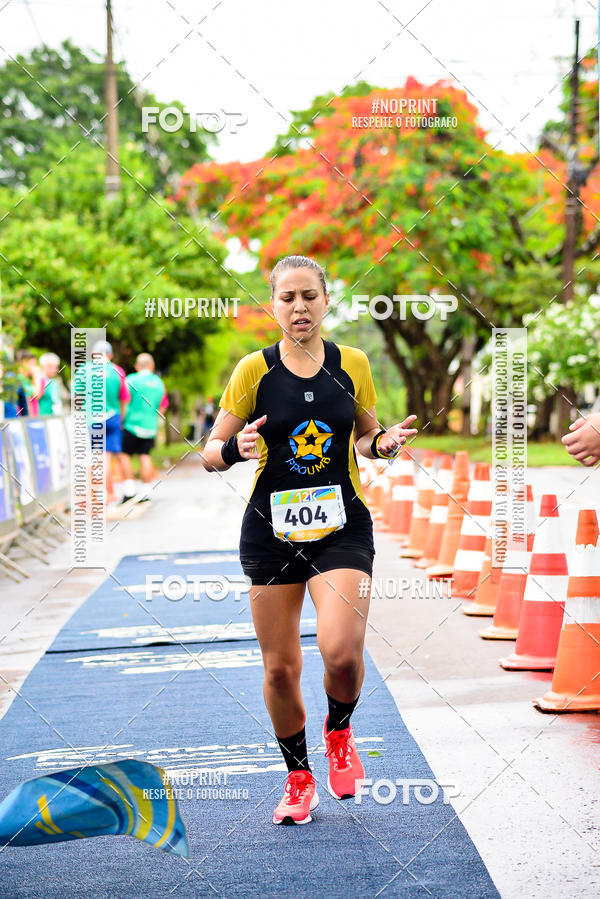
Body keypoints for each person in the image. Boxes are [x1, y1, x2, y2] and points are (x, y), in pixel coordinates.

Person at [202, 255, 418, 825]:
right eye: (287, 297)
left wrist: (387, 443)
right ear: (272, 305)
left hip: (343, 526)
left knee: (342, 653)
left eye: (309, 296)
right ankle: (299, 778)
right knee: (279, 668)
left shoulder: (353, 364)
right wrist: (235, 450)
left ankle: (339, 730)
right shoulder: (254, 370)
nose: (299, 307)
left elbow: (367, 437)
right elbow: (208, 452)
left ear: (326, 300)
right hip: (271, 534)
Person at [119, 353, 169, 503]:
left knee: (124, 455)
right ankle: (145, 493)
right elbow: (163, 406)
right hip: (150, 427)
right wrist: (155, 419)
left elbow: (124, 401)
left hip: (131, 424)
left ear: (136, 366)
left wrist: (122, 419)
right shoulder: (159, 383)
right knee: (145, 457)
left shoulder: (131, 380)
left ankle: (129, 490)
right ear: (152, 366)